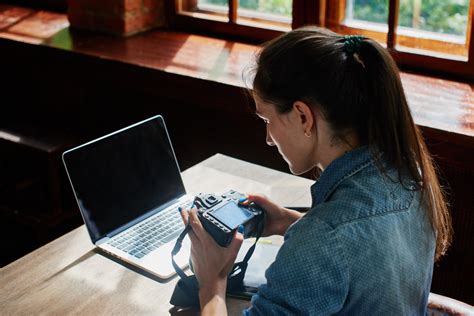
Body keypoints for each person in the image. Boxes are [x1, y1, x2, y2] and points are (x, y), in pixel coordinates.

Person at [179, 26, 452, 315]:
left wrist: (211, 283)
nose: (268, 139)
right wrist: (289, 223)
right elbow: (364, 251)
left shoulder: (325, 236)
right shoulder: (409, 174)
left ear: (302, 116)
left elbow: (333, 243)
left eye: (267, 120)